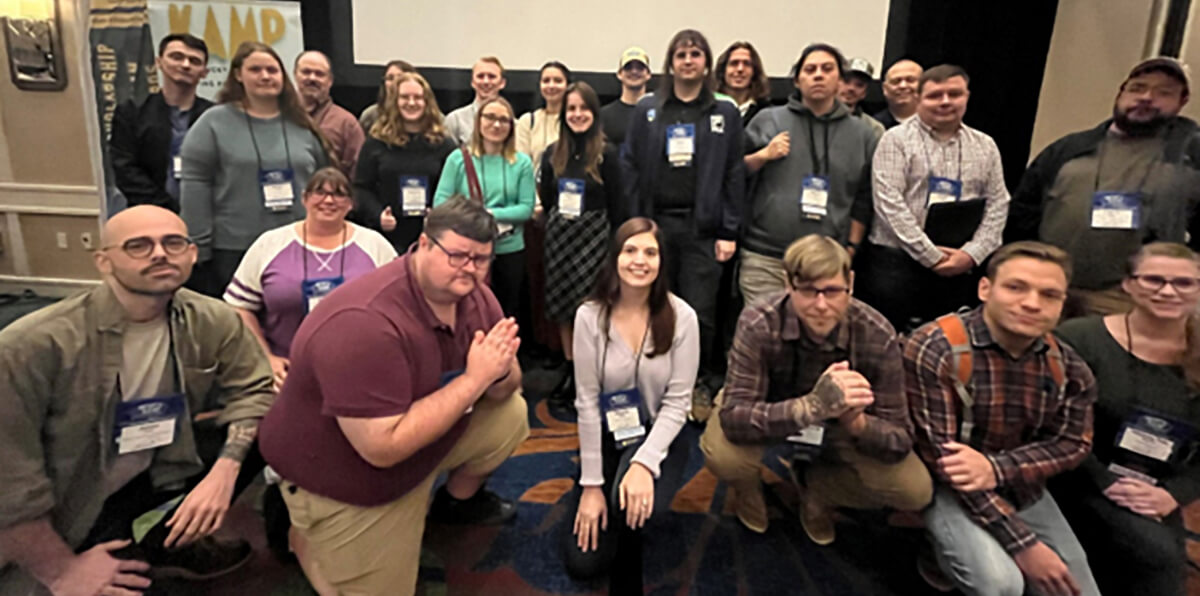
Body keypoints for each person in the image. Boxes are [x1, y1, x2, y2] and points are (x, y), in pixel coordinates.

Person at [259, 197, 530, 596]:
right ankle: (301, 536)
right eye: (456, 255)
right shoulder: (364, 325)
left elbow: (509, 384)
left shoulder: (476, 296)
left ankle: (446, 504)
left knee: (511, 414)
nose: (469, 269)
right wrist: (475, 380)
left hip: (417, 435)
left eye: (481, 259)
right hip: (346, 470)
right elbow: (381, 450)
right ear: (423, 244)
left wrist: (497, 370)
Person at [0, 205, 275, 595]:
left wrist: (223, 474)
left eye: (173, 242)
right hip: (70, 497)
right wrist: (61, 571)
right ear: (104, 261)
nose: (160, 253)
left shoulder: (212, 319)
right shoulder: (32, 346)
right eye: (138, 246)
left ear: (192, 254)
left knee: (277, 426)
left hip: (158, 464)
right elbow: (9, 481)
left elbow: (254, 390)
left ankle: (163, 544)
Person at [701, 235, 931, 538]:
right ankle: (747, 487)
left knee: (915, 490)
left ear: (850, 282)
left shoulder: (877, 334)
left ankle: (820, 491)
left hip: (842, 425)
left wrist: (858, 423)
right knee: (724, 455)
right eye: (809, 291)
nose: (821, 305)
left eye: (833, 291)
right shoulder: (759, 321)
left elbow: (900, 438)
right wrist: (812, 405)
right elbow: (735, 418)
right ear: (788, 284)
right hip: (773, 411)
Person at [905, 241, 1101, 596]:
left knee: (1078, 590)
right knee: (1000, 583)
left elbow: (1074, 442)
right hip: (948, 485)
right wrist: (1023, 544)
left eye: (1049, 294)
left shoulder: (1069, 367)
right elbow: (943, 460)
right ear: (985, 288)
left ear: (1062, 305)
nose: (1031, 303)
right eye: (1016, 287)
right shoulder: (936, 347)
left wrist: (996, 469)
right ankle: (937, 557)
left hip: (1019, 484)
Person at [1051, 242, 1200, 596]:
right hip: (1077, 475)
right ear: (1128, 284)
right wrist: (1108, 483)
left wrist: (1173, 494)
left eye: (1184, 283)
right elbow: (1053, 426)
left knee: (1159, 563)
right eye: (1154, 280)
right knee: (1154, 557)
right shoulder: (1078, 339)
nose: (1168, 291)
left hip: (1157, 488)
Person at [564, 217, 698, 593]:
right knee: (583, 563)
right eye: (630, 250)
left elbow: (678, 403)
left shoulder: (683, 318)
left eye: (650, 252)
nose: (640, 260)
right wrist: (591, 485)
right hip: (609, 432)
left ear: (662, 262)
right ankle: (589, 490)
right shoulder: (589, 317)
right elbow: (587, 403)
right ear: (615, 258)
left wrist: (643, 462)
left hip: (661, 434)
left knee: (634, 504)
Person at [1006, 57, 1200, 317]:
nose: (1146, 97)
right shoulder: (1068, 149)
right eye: (1137, 88)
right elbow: (1023, 214)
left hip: (1129, 299)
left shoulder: (1191, 157)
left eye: (1163, 93)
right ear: (1121, 93)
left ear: (1182, 101)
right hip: (1050, 288)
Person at [621, 29, 745, 421]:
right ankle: (653, 382)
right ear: (670, 62)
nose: (688, 60)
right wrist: (637, 222)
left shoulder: (724, 113)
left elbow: (733, 173)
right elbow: (630, 164)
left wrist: (728, 230)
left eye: (695, 54)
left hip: (703, 230)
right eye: (681, 54)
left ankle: (696, 385)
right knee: (653, 304)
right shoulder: (649, 109)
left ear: (706, 62)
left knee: (700, 313)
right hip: (655, 227)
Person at [856, 65, 1009, 332]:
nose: (946, 101)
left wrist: (972, 255)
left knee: (948, 345)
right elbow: (888, 204)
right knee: (887, 344)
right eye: (935, 95)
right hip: (897, 264)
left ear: (967, 96)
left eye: (954, 94)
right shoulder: (896, 140)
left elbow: (998, 203)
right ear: (919, 99)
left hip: (959, 265)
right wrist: (931, 256)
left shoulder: (986, 145)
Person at [180, 41, 331, 298]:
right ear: (238, 75)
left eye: (272, 70)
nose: (265, 76)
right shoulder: (213, 123)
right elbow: (195, 186)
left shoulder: (302, 125)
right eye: (256, 69)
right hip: (234, 249)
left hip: (297, 245)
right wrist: (198, 247)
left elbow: (324, 180)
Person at [225, 167, 397, 390]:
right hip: (285, 374)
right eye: (319, 192)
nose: (328, 200)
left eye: (338, 194)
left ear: (351, 204)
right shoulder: (269, 244)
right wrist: (266, 357)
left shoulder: (375, 245)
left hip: (360, 371)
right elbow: (239, 307)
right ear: (304, 199)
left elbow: (399, 305)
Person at [740, 43, 878, 307]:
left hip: (827, 258)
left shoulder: (862, 134)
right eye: (810, 69)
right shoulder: (768, 120)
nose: (818, 75)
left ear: (839, 79)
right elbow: (736, 173)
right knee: (763, 336)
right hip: (766, 255)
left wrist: (851, 247)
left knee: (814, 339)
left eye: (827, 69)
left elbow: (863, 197)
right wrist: (763, 155)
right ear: (796, 80)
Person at [538, 82, 623, 407]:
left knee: (593, 307)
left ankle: (594, 371)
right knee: (562, 308)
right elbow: (547, 200)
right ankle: (571, 368)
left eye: (583, 108)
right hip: (560, 238)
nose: (577, 114)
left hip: (595, 239)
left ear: (594, 113)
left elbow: (619, 205)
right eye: (571, 109)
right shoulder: (551, 153)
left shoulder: (607, 154)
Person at [434, 96, 536, 317]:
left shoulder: (522, 163)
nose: (496, 124)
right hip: (467, 249)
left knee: (505, 311)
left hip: (509, 248)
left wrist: (488, 214)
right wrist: (472, 218)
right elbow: (441, 202)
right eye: (490, 117)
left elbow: (526, 208)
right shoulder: (458, 159)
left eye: (504, 120)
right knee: (467, 309)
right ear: (478, 121)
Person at [354, 71, 458, 252]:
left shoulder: (444, 144)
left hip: (433, 238)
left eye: (418, 97)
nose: (411, 103)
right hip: (388, 237)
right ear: (394, 101)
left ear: (427, 102)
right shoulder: (376, 143)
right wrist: (378, 215)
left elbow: (456, 190)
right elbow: (361, 188)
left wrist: (440, 215)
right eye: (405, 97)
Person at [110, 33, 213, 213]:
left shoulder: (215, 116)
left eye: (194, 61)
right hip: (148, 213)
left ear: (204, 73)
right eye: (177, 57)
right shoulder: (131, 113)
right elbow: (125, 169)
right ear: (159, 62)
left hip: (207, 213)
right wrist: (165, 208)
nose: (185, 65)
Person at [294, 50, 364, 179]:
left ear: (330, 80)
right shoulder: (281, 117)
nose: (312, 78)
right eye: (306, 72)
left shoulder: (346, 123)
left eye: (319, 74)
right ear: (295, 75)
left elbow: (359, 175)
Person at [516, 61, 570, 174]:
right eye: (546, 81)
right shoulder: (527, 121)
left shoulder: (575, 120)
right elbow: (520, 165)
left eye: (558, 81)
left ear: (568, 85)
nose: (551, 85)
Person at [445, 56, 507, 145]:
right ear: (473, 82)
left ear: (502, 83)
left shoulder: (512, 123)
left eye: (492, 76)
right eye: (480, 76)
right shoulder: (455, 120)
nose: (486, 81)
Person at [599, 47, 652, 148]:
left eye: (640, 68)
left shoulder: (659, 112)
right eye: (628, 68)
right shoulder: (604, 116)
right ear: (619, 74)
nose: (634, 71)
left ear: (648, 74)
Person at [715, 41, 771, 125]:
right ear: (723, 71)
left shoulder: (767, 112)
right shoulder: (709, 107)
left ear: (754, 72)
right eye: (734, 63)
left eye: (747, 64)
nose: (740, 69)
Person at [359, 59, 416, 133]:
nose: (394, 82)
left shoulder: (421, 113)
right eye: (390, 78)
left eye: (400, 77)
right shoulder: (371, 115)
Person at [839, 57, 886, 140]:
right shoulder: (814, 119)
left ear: (864, 93)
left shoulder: (874, 129)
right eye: (846, 81)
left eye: (859, 85)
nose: (851, 88)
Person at [873, 59, 922, 129]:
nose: (903, 86)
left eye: (910, 80)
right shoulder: (872, 127)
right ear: (885, 89)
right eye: (896, 81)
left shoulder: (938, 123)